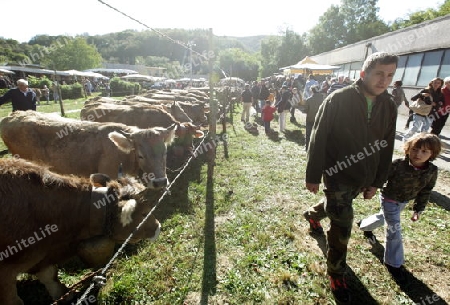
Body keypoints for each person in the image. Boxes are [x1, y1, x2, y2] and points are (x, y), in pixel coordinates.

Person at [303, 51, 398, 305]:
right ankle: (337, 274)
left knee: (336, 208)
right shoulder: (338, 99)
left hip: (364, 176)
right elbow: (318, 137)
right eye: (379, 73)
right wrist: (313, 175)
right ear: (363, 73)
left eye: (390, 75)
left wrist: (377, 180)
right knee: (343, 225)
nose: (384, 80)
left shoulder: (389, 105)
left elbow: (387, 145)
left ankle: (312, 215)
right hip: (337, 174)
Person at [357, 132, 441, 284]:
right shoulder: (398, 164)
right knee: (394, 229)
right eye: (415, 149)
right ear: (408, 148)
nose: (418, 154)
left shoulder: (432, 171)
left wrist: (418, 209)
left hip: (404, 202)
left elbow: (426, 190)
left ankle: (364, 225)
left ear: (432, 154)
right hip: (389, 199)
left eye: (424, 151)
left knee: (383, 218)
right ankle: (393, 264)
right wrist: (371, 187)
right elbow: (381, 177)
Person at [302, 85, 324, 151]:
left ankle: (307, 147)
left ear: (312, 91)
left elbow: (305, 110)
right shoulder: (323, 99)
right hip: (319, 119)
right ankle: (316, 147)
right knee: (317, 134)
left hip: (310, 118)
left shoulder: (309, 100)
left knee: (308, 133)